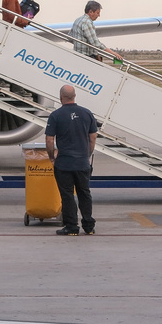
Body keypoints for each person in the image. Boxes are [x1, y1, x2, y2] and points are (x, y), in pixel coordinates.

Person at [45, 85, 98, 236]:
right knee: (84, 193)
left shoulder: (56, 115)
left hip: (64, 163)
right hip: (82, 162)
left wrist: (51, 157)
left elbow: (49, 140)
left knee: (67, 195)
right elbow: (93, 137)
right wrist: (87, 154)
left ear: (61, 97)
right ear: (75, 96)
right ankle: (89, 226)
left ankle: (72, 227)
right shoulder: (87, 113)